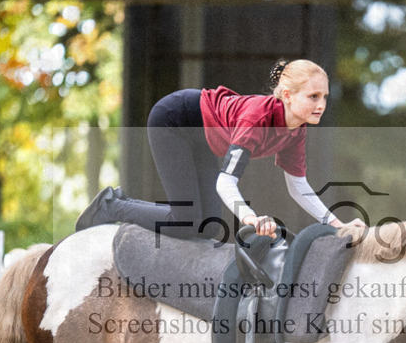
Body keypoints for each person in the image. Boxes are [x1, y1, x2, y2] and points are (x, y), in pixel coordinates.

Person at [75, 59, 366, 239]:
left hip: (202, 137)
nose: (321, 105)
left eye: (325, 97)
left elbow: (298, 187)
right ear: (287, 96)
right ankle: (111, 206)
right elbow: (225, 182)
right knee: (186, 222)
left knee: (208, 227)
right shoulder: (258, 118)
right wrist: (250, 218)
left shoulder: (295, 131)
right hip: (174, 120)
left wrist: (336, 224)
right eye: (313, 96)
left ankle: (119, 202)